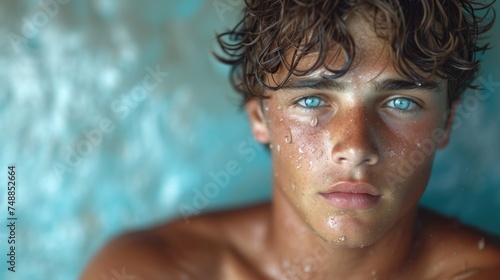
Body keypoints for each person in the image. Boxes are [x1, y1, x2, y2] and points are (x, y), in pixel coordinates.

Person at [81, 0, 500, 279]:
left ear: (446, 124)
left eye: (402, 103)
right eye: (313, 99)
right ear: (259, 118)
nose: (355, 147)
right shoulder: (150, 270)